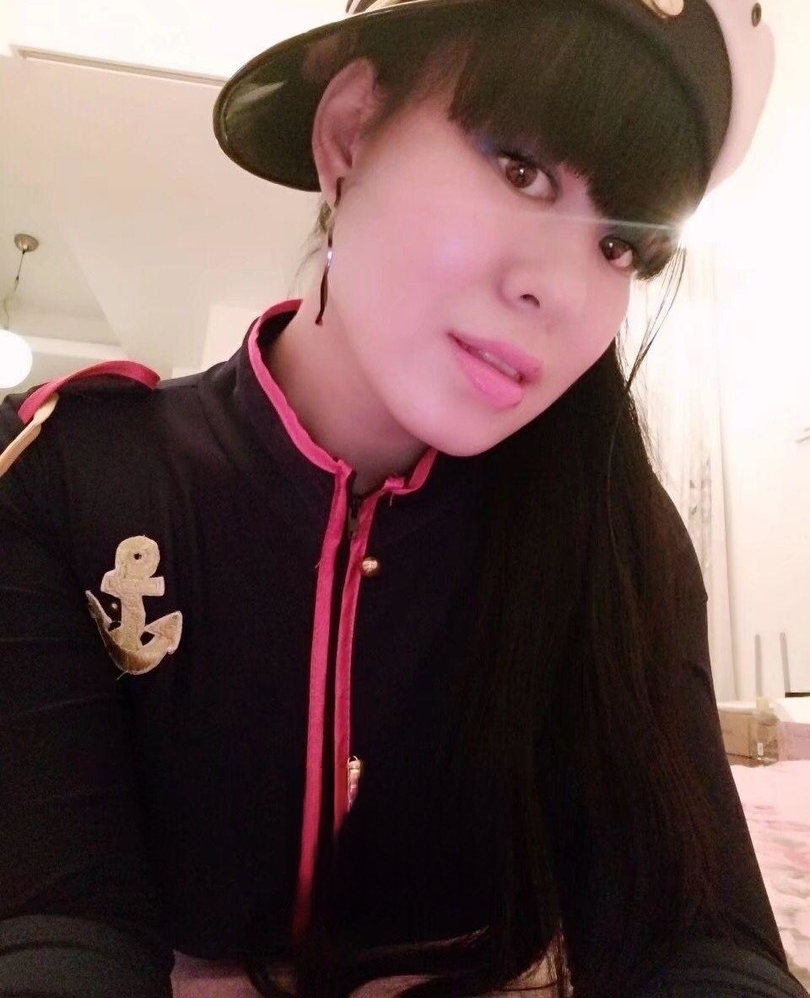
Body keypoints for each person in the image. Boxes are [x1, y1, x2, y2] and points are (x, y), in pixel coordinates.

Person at [0, 0, 807, 996]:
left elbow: (696, 934)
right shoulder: (62, 473)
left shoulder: (615, 531)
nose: (560, 288)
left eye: (620, 247)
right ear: (349, 133)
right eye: (523, 170)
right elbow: (53, 925)